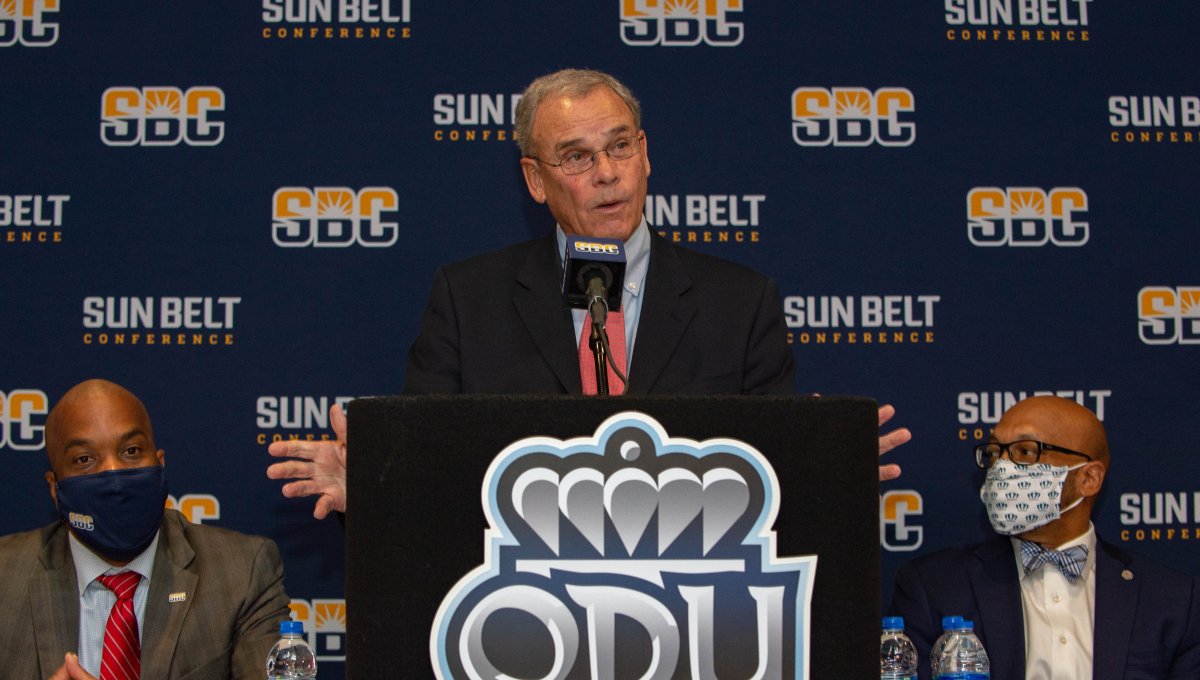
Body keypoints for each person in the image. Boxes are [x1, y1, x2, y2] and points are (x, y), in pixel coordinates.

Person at [267, 68, 911, 519]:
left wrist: (817, 470)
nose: (607, 173)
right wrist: (373, 490)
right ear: (535, 180)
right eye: (576, 157)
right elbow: (427, 467)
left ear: (645, 154)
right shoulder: (469, 300)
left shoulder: (739, 302)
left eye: (619, 146)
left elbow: (766, 480)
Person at [889, 395, 1200, 679]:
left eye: (1025, 452)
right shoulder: (935, 587)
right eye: (995, 453)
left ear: (1088, 478)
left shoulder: (1172, 600)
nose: (1001, 468)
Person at [0, 379, 292, 680]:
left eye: (130, 451)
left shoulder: (242, 573)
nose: (113, 474)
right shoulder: (5, 578)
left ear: (159, 463)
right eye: (84, 459)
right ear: (54, 487)